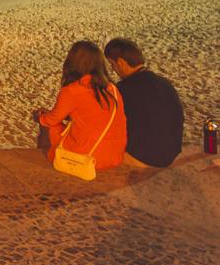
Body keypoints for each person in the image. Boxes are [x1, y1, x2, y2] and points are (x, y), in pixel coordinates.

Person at [33, 41, 127, 171]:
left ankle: (45, 161)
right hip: (114, 156)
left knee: (46, 123)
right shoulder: (112, 89)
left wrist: (40, 117)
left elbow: (52, 120)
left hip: (89, 157)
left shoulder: (73, 90)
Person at [104, 38, 183, 168]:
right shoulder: (164, 83)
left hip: (146, 157)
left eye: (113, 65)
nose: (114, 70)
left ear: (121, 63)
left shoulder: (123, 89)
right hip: (171, 153)